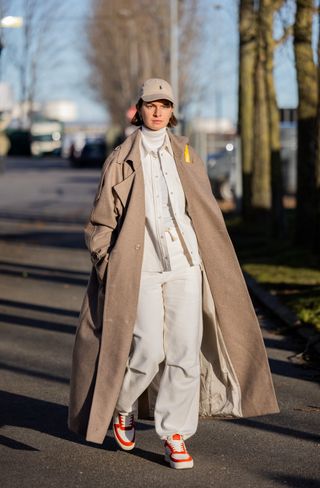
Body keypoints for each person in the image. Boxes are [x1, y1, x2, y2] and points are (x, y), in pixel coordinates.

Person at [68, 78, 279, 470]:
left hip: (185, 264)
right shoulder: (121, 158)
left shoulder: (185, 153)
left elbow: (202, 207)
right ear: (139, 109)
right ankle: (123, 404)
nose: (158, 111)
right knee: (148, 348)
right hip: (140, 267)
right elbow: (100, 223)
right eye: (151, 104)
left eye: (164, 104)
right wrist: (107, 263)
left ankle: (174, 434)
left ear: (172, 110)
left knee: (184, 350)